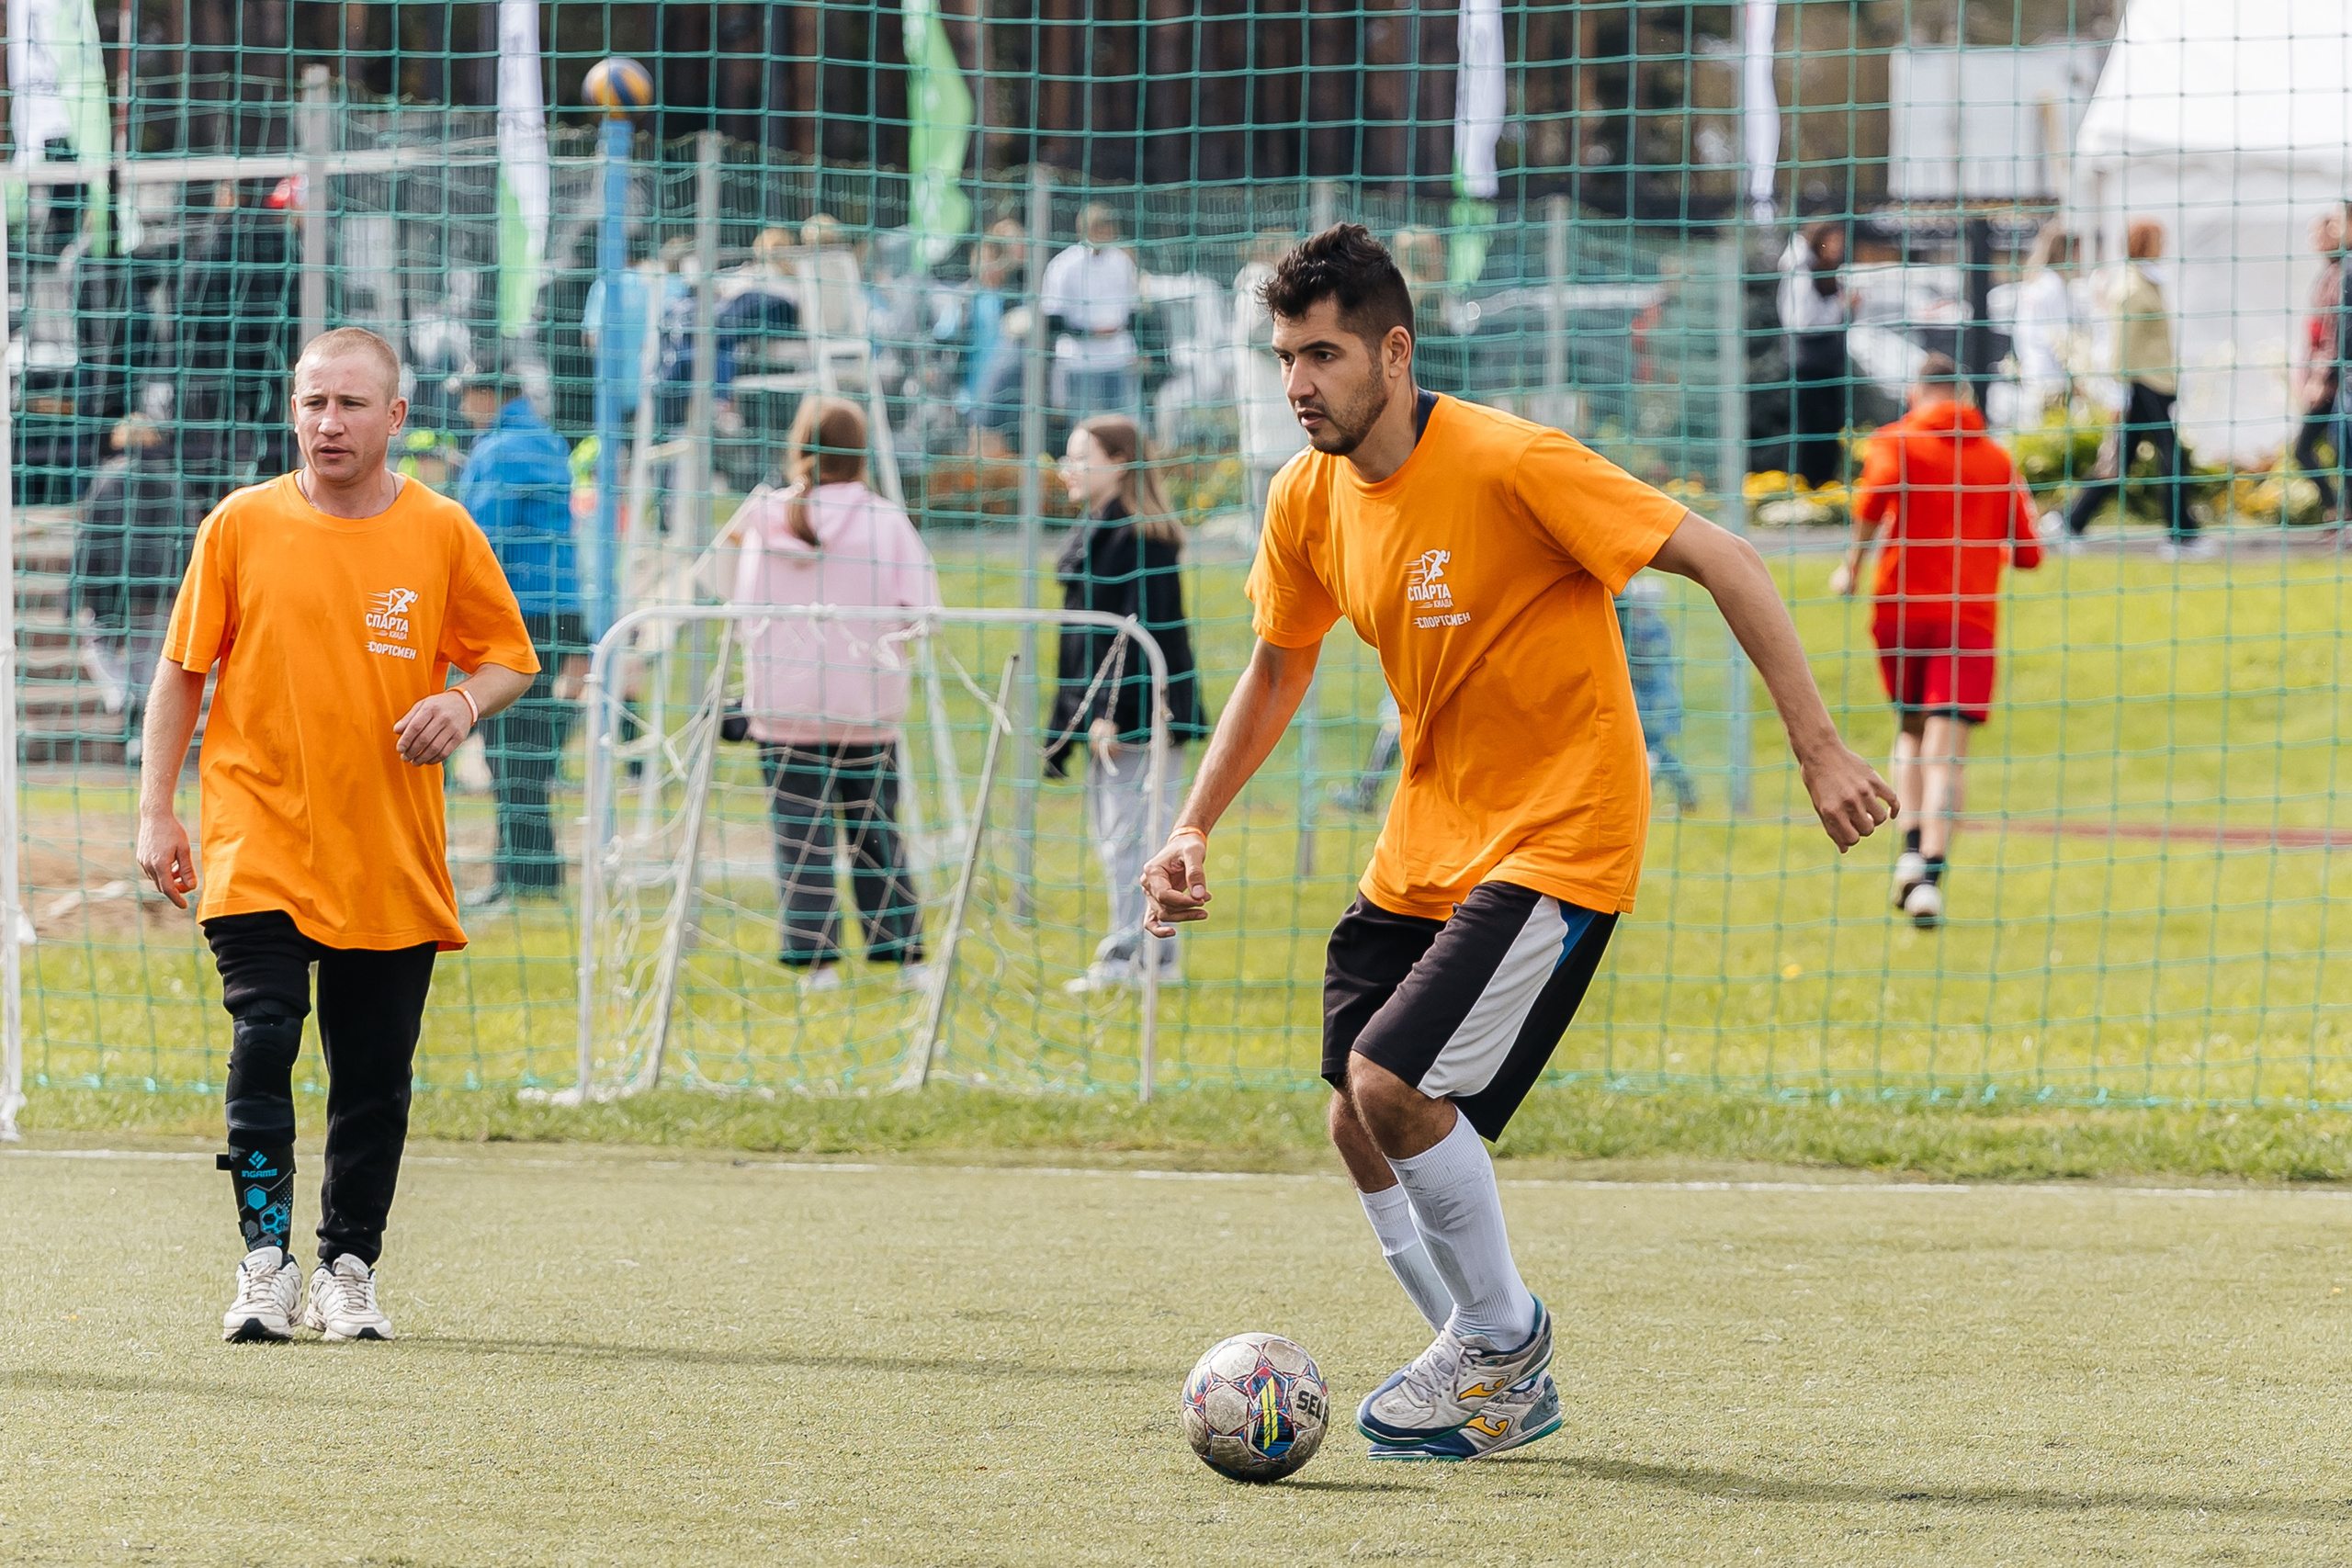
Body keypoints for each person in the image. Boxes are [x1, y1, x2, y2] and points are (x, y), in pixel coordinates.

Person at [1139, 226, 1894, 1460]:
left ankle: (1501, 1345)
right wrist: (1192, 821)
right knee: (1353, 1110)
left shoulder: (1512, 461)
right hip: (1428, 838)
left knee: (1397, 1081)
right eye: (1284, 356)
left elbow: (1729, 555)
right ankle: (1490, 1368)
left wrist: (1818, 745)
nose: (1298, 385)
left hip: (1561, 832)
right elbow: (1280, 664)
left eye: (1323, 354)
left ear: (1393, 348)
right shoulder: (1305, 495)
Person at [133, 327, 537, 1344]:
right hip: (256, 834)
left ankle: (347, 1268)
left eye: (352, 404)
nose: (330, 422)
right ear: (293, 408)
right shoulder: (239, 526)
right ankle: (263, 1262)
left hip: (386, 851)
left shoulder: (442, 531)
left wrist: (463, 703)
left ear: (395, 417)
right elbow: (182, 674)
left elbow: (509, 659)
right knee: (264, 1036)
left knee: (372, 1076)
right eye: (314, 401)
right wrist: (156, 809)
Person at [729, 396, 940, 991]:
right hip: (866, 707)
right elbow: (924, 610)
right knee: (877, 834)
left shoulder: (765, 518)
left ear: (799, 447)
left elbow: (744, 612)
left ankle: (815, 965)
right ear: (860, 449)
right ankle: (906, 958)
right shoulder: (884, 519)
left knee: (801, 840)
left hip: (783, 711)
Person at [1831, 354, 2041, 929]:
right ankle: (1929, 874)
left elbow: (1870, 510)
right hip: (1968, 620)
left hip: (1900, 613)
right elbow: (2029, 554)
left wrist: (1851, 568)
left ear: (1918, 391)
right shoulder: (1997, 459)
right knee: (1947, 750)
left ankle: (1906, 852)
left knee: (1910, 730)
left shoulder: (1895, 441)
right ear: (1967, 396)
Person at [1049, 414, 1210, 993]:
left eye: (1080, 456)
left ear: (1118, 462)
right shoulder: (1097, 528)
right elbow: (1084, 640)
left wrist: (1112, 712)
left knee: (1136, 842)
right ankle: (1138, 953)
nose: (1067, 468)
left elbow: (1139, 636)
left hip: (1142, 719)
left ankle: (1140, 957)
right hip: (1103, 717)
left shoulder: (1140, 536)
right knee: (1117, 838)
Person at [455, 372, 584, 907]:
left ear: (487, 395)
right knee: (525, 751)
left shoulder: (502, 450)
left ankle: (525, 874)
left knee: (509, 749)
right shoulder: (547, 441)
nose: (462, 408)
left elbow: (482, 538)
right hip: (560, 609)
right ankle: (533, 869)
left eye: (464, 396)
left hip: (518, 611)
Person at [2064, 219, 2197, 552]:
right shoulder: (2132, 288)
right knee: (2171, 456)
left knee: (2120, 459)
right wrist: (2119, 389)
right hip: (2142, 383)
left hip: (2155, 381)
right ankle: (2181, 534)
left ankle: (2071, 520)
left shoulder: (2149, 282)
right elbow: (2122, 346)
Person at [73, 416, 193, 736]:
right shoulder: (174, 481)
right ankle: (136, 715)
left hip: (113, 588)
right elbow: (191, 538)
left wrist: (80, 587)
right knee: (147, 657)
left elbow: (89, 539)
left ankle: (123, 698)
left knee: (97, 643)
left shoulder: (108, 477)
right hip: (160, 588)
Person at [1041, 204, 1142, 436]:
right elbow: (1052, 320)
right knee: (1086, 431)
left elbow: (1134, 312)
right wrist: (1092, 332)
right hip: (1079, 362)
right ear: (1082, 230)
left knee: (1125, 429)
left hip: (1118, 358)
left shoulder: (1122, 262)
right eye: (1098, 228)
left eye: (1107, 228)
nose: (1104, 234)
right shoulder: (1063, 265)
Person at [1234, 232, 1308, 538]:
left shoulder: (1252, 278)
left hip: (1271, 413)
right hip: (1270, 412)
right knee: (1270, 513)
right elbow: (1258, 335)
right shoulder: (1259, 279)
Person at [1778, 220, 1852, 490]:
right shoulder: (1801, 271)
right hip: (1809, 363)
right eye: (1832, 240)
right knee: (1811, 430)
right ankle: (1808, 487)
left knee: (1829, 428)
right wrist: (1840, 305)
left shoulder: (1825, 270)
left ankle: (1824, 487)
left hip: (1827, 362)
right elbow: (1803, 322)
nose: (1837, 247)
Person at [2291, 210, 2343, 520]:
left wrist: (2321, 378)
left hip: (2334, 380)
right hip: (2325, 376)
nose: (2315, 240)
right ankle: (2337, 509)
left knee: (2309, 448)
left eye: (2321, 233)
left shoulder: (2340, 274)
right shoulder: (2328, 274)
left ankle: (2338, 509)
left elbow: (2333, 335)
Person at [2009, 223, 2078, 422]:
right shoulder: (2054, 285)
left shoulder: (2035, 282)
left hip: (2032, 367)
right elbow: (2060, 335)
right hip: (2052, 372)